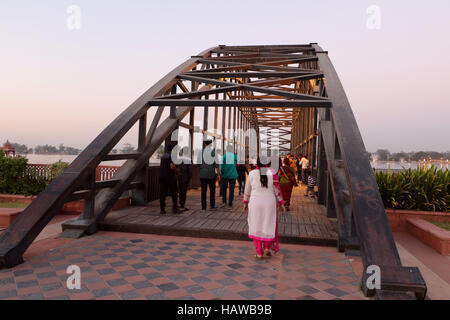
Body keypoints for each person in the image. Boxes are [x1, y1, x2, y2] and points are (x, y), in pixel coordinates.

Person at [243, 158, 285, 259]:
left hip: (255, 203)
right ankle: (266, 248)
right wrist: (281, 203)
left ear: (257, 163)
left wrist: (245, 202)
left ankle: (259, 253)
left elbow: (247, 189)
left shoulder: (252, 173)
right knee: (268, 224)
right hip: (269, 203)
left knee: (255, 226)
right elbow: (277, 190)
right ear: (268, 163)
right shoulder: (272, 173)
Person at [198, 140, 220, 211]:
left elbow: (198, 163)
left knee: (203, 192)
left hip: (203, 175)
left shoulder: (201, 152)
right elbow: (217, 165)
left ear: (205, 144)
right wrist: (219, 174)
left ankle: (203, 207)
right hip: (211, 175)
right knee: (212, 191)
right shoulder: (213, 152)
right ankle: (212, 206)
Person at [159, 142, 180, 214]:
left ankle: (162, 209)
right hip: (170, 178)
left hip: (162, 177)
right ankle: (175, 208)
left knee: (163, 194)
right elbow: (172, 166)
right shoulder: (171, 156)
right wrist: (177, 172)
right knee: (174, 193)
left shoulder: (163, 156)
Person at [177, 147, 193, 211]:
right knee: (184, 191)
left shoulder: (178, 159)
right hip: (185, 178)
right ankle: (182, 204)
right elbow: (190, 170)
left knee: (180, 191)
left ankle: (180, 202)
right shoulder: (189, 160)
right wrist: (189, 177)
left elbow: (176, 167)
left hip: (179, 177)